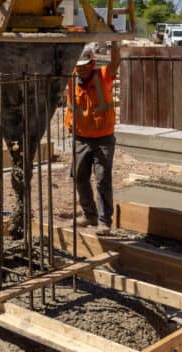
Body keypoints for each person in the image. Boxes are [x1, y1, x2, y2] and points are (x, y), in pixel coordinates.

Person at [64, 42, 120, 236]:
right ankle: (89, 214)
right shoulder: (71, 78)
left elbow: (115, 62)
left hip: (103, 138)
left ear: (92, 63)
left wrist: (115, 42)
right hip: (81, 138)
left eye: (86, 65)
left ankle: (104, 222)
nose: (82, 69)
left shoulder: (103, 76)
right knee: (79, 176)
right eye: (79, 65)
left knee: (102, 179)